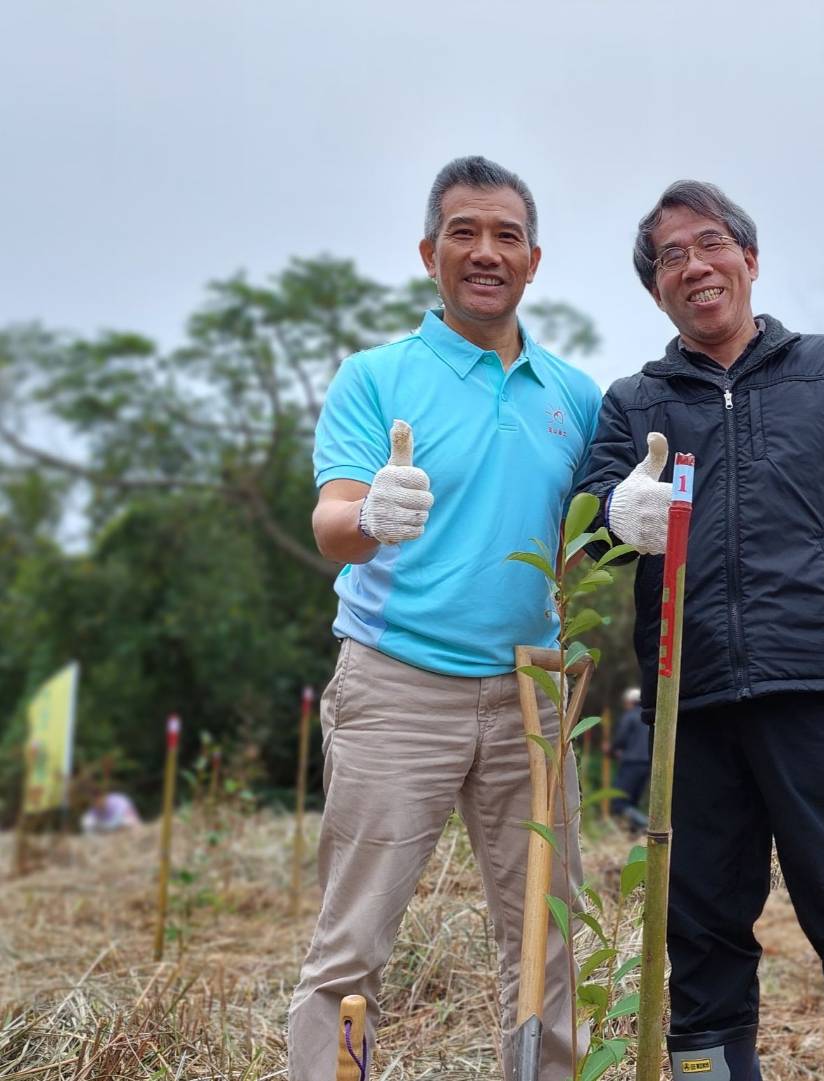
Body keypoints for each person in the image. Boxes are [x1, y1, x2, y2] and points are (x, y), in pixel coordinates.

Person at [578, 180, 824, 1081]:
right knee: (699, 921)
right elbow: (587, 530)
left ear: (748, 258)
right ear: (655, 290)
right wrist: (612, 514)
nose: (694, 265)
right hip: (688, 697)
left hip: (818, 682)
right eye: (670, 257)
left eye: (710, 244)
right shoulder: (635, 402)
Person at [287, 157, 602, 1081]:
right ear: (429, 253)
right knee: (351, 942)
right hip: (397, 683)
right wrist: (368, 516)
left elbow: (579, 549)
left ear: (534, 260)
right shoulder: (377, 377)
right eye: (464, 231)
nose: (485, 251)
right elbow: (333, 524)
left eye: (506, 234)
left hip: (532, 695)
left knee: (547, 938)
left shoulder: (573, 397)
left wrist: (624, 526)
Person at [610, 687, 650, 830]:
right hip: (647, 764)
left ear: (629, 702)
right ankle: (634, 832)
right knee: (633, 801)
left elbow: (620, 738)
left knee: (619, 802)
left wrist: (610, 750)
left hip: (631, 763)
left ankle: (646, 825)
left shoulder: (630, 716)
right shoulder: (648, 716)